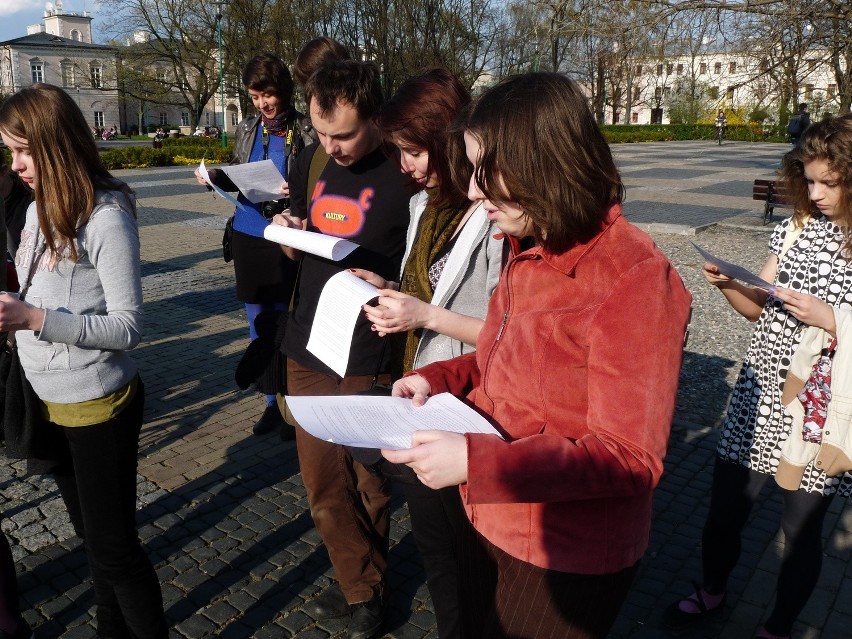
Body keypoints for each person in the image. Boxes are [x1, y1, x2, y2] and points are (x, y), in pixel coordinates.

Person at [383, 73, 692, 639]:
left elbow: (629, 458)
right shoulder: (526, 245)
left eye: (484, 171)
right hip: (491, 518)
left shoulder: (635, 277)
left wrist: (477, 463)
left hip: (565, 554)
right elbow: (501, 356)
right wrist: (434, 379)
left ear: (542, 162)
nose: (472, 191)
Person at [666, 114, 852, 639]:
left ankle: (779, 625)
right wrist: (728, 283)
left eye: (828, 183)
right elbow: (757, 309)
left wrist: (831, 318)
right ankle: (712, 589)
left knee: (800, 528)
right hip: (761, 387)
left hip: (818, 408)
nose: (814, 193)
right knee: (726, 507)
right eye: (808, 179)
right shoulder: (795, 226)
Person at [0, 83, 167, 639]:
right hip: (49, 400)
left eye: (24, 151)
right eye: (9, 151)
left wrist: (33, 320)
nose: (16, 164)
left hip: (99, 406)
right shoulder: (37, 208)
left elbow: (127, 327)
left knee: (116, 548)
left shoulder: (106, 216)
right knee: (93, 539)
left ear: (56, 143)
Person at [354, 68, 504, 638]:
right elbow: (427, 286)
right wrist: (388, 284)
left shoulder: (494, 215)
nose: (405, 166)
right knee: (437, 547)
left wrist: (424, 315)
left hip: (473, 403)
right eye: (398, 152)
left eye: (413, 151)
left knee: (473, 552)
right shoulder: (427, 206)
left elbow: (507, 330)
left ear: (447, 141)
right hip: (421, 389)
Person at [271, 59, 415, 639]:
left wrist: (400, 291)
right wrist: (290, 233)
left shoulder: (404, 171)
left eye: (345, 134)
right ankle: (362, 587)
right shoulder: (313, 160)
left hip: (369, 348)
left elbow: (426, 267)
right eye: (322, 133)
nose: (333, 146)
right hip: (309, 344)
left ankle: (366, 585)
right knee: (322, 482)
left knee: (368, 481)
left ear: (376, 119)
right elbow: (305, 242)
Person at [194, 52, 307, 437]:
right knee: (258, 322)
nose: (263, 104)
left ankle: (294, 406)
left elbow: (317, 183)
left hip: (286, 236)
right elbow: (237, 174)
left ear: (284, 91)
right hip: (247, 233)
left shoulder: (304, 130)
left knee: (288, 321)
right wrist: (213, 177)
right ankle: (271, 402)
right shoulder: (246, 128)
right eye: (256, 96)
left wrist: (300, 188)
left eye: (268, 95)